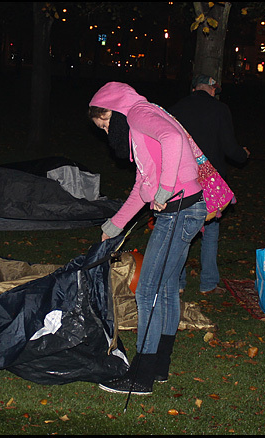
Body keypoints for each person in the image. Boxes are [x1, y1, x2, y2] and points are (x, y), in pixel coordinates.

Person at [88, 82, 207, 395]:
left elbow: (173, 138)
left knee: (147, 291)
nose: (104, 131)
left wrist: (166, 187)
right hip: (186, 208)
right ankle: (158, 367)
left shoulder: (138, 113)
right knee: (166, 288)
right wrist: (115, 224)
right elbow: (142, 184)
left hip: (179, 210)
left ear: (112, 109)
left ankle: (140, 377)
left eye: (104, 122)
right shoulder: (138, 129)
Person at [169, 74, 250, 295]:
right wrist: (242, 155)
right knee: (211, 231)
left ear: (194, 88)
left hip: (183, 179)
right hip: (211, 182)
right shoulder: (220, 109)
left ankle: (178, 282)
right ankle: (208, 283)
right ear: (212, 89)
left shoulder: (176, 109)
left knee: (183, 230)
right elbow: (229, 147)